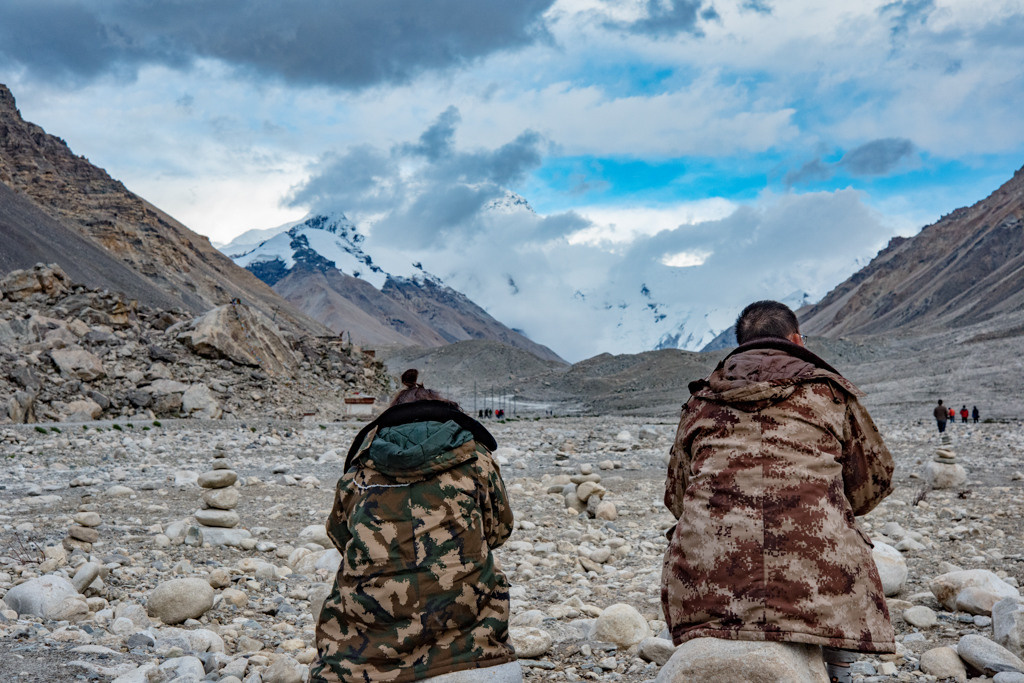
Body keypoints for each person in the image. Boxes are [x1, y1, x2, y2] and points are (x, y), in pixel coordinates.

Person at [661, 300, 895, 683]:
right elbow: (873, 482)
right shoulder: (831, 394)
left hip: (707, 582)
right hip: (818, 581)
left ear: (741, 345)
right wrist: (827, 503)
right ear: (797, 341)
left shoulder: (700, 403)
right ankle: (839, 671)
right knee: (839, 534)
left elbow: (677, 498)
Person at [313, 369, 520, 683]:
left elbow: (340, 537)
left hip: (367, 652)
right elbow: (499, 531)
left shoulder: (359, 472)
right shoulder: (477, 460)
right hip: (469, 642)